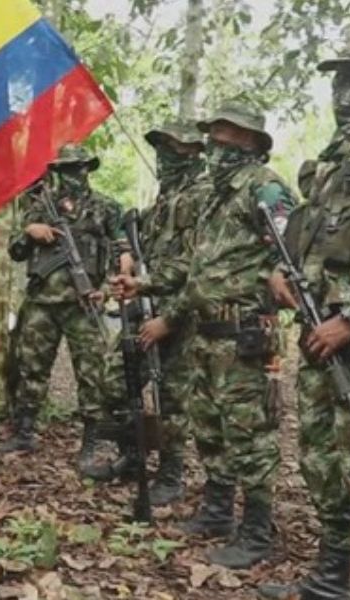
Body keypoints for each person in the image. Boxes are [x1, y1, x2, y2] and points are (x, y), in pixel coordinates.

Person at [114, 102, 295, 569]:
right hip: (207, 331)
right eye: (214, 131)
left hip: (244, 332)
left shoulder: (264, 186)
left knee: (247, 435)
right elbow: (194, 269)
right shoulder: (216, 196)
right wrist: (144, 284)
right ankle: (217, 512)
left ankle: (256, 530)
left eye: (228, 132)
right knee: (211, 429)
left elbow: (293, 242)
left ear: (252, 141)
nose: (217, 140)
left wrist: (280, 271)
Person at [259, 36, 350, 600]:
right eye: (337, 77)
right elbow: (314, 243)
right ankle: (330, 579)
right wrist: (283, 277)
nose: (342, 90)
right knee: (322, 459)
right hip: (319, 333)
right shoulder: (332, 163)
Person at [0, 145, 125, 482]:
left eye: (78, 168)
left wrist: (107, 291)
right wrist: (30, 231)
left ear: (88, 169)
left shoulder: (106, 208)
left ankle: (91, 439)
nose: (72, 176)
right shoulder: (37, 206)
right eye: (66, 169)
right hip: (41, 302)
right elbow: (14, 250)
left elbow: (121, 254)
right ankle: (23, 432)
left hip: (85, 304)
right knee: (30, 368)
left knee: (92, 372)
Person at [125, 122, 210, 504]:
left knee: (173, 395)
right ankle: (134, 456)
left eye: (171, 148)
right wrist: (126, 260)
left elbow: (194, 265)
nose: (163, 156)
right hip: (151, 306)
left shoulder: (203, 195)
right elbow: (133, 238)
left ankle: (172, 474)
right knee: (120, 378)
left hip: (185, 312)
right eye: (159, 148)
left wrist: (156, 298)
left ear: (193, 152)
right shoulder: (163, 200)